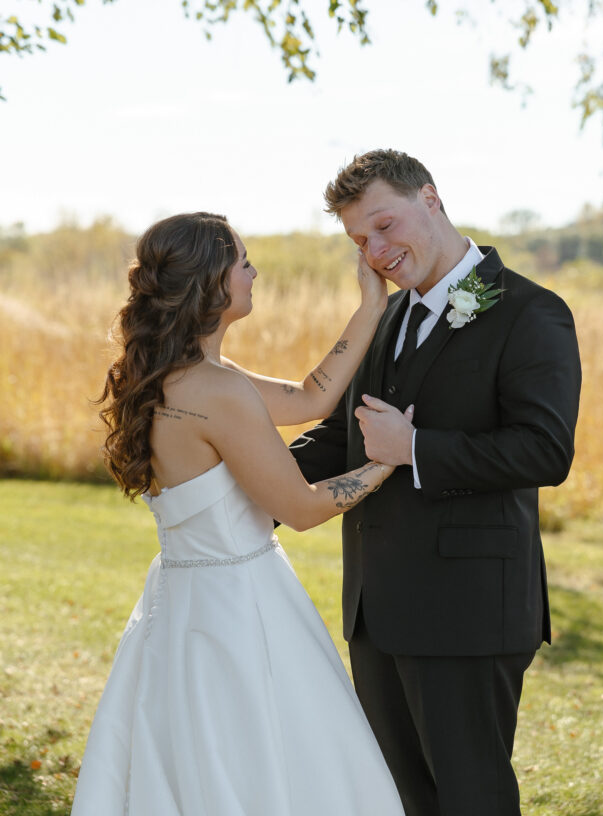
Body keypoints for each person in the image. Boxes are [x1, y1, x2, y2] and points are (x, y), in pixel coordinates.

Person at [70, 211, 406, 816]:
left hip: (182, 602)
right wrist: (389, 459)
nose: (254, 271)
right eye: (243, 261)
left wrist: (369, 307)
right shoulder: (216, 393)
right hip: (239, 606)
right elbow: (301, 509)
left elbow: (309, 398)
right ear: (211, 283)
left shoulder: (180, 377)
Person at [290, 149, 582, 816]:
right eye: (360, 241)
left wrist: (416, 448)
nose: (377, 251)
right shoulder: (385, 317)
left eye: (384, 226)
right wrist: (233, 488)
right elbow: (341, 438)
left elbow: (544, 450)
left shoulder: (528, 312)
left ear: (430, 198)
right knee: (403, 800)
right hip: (375, 607)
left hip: (468, 609)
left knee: (469, 798)